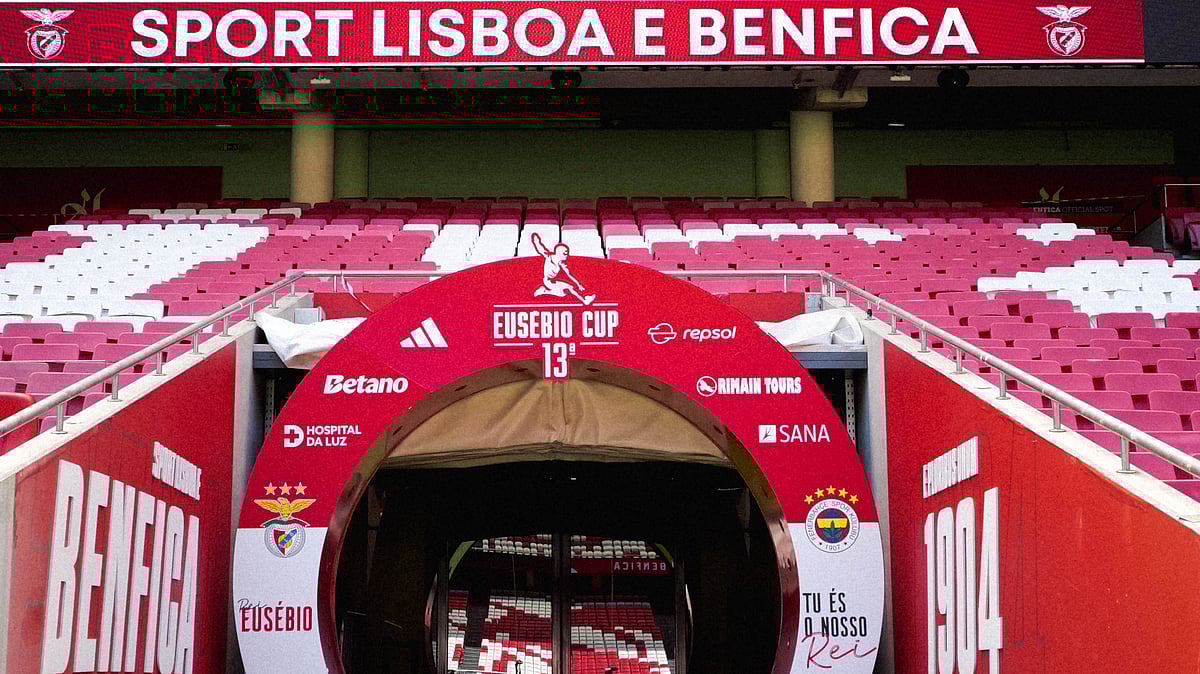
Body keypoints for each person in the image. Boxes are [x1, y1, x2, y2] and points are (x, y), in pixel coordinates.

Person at [531, 232, 595, 305]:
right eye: (565, 253)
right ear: (559, 252)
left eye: (567, 253)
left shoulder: (561, 263)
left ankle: (544, 291)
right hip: (548, 281)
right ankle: (585, 301)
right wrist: (536, 241)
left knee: (563, 293)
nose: (567, 255)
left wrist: (578, 284)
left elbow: (569, 275)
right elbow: (541, 249)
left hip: (553, 281)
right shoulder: (549, 257)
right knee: (569, 288)